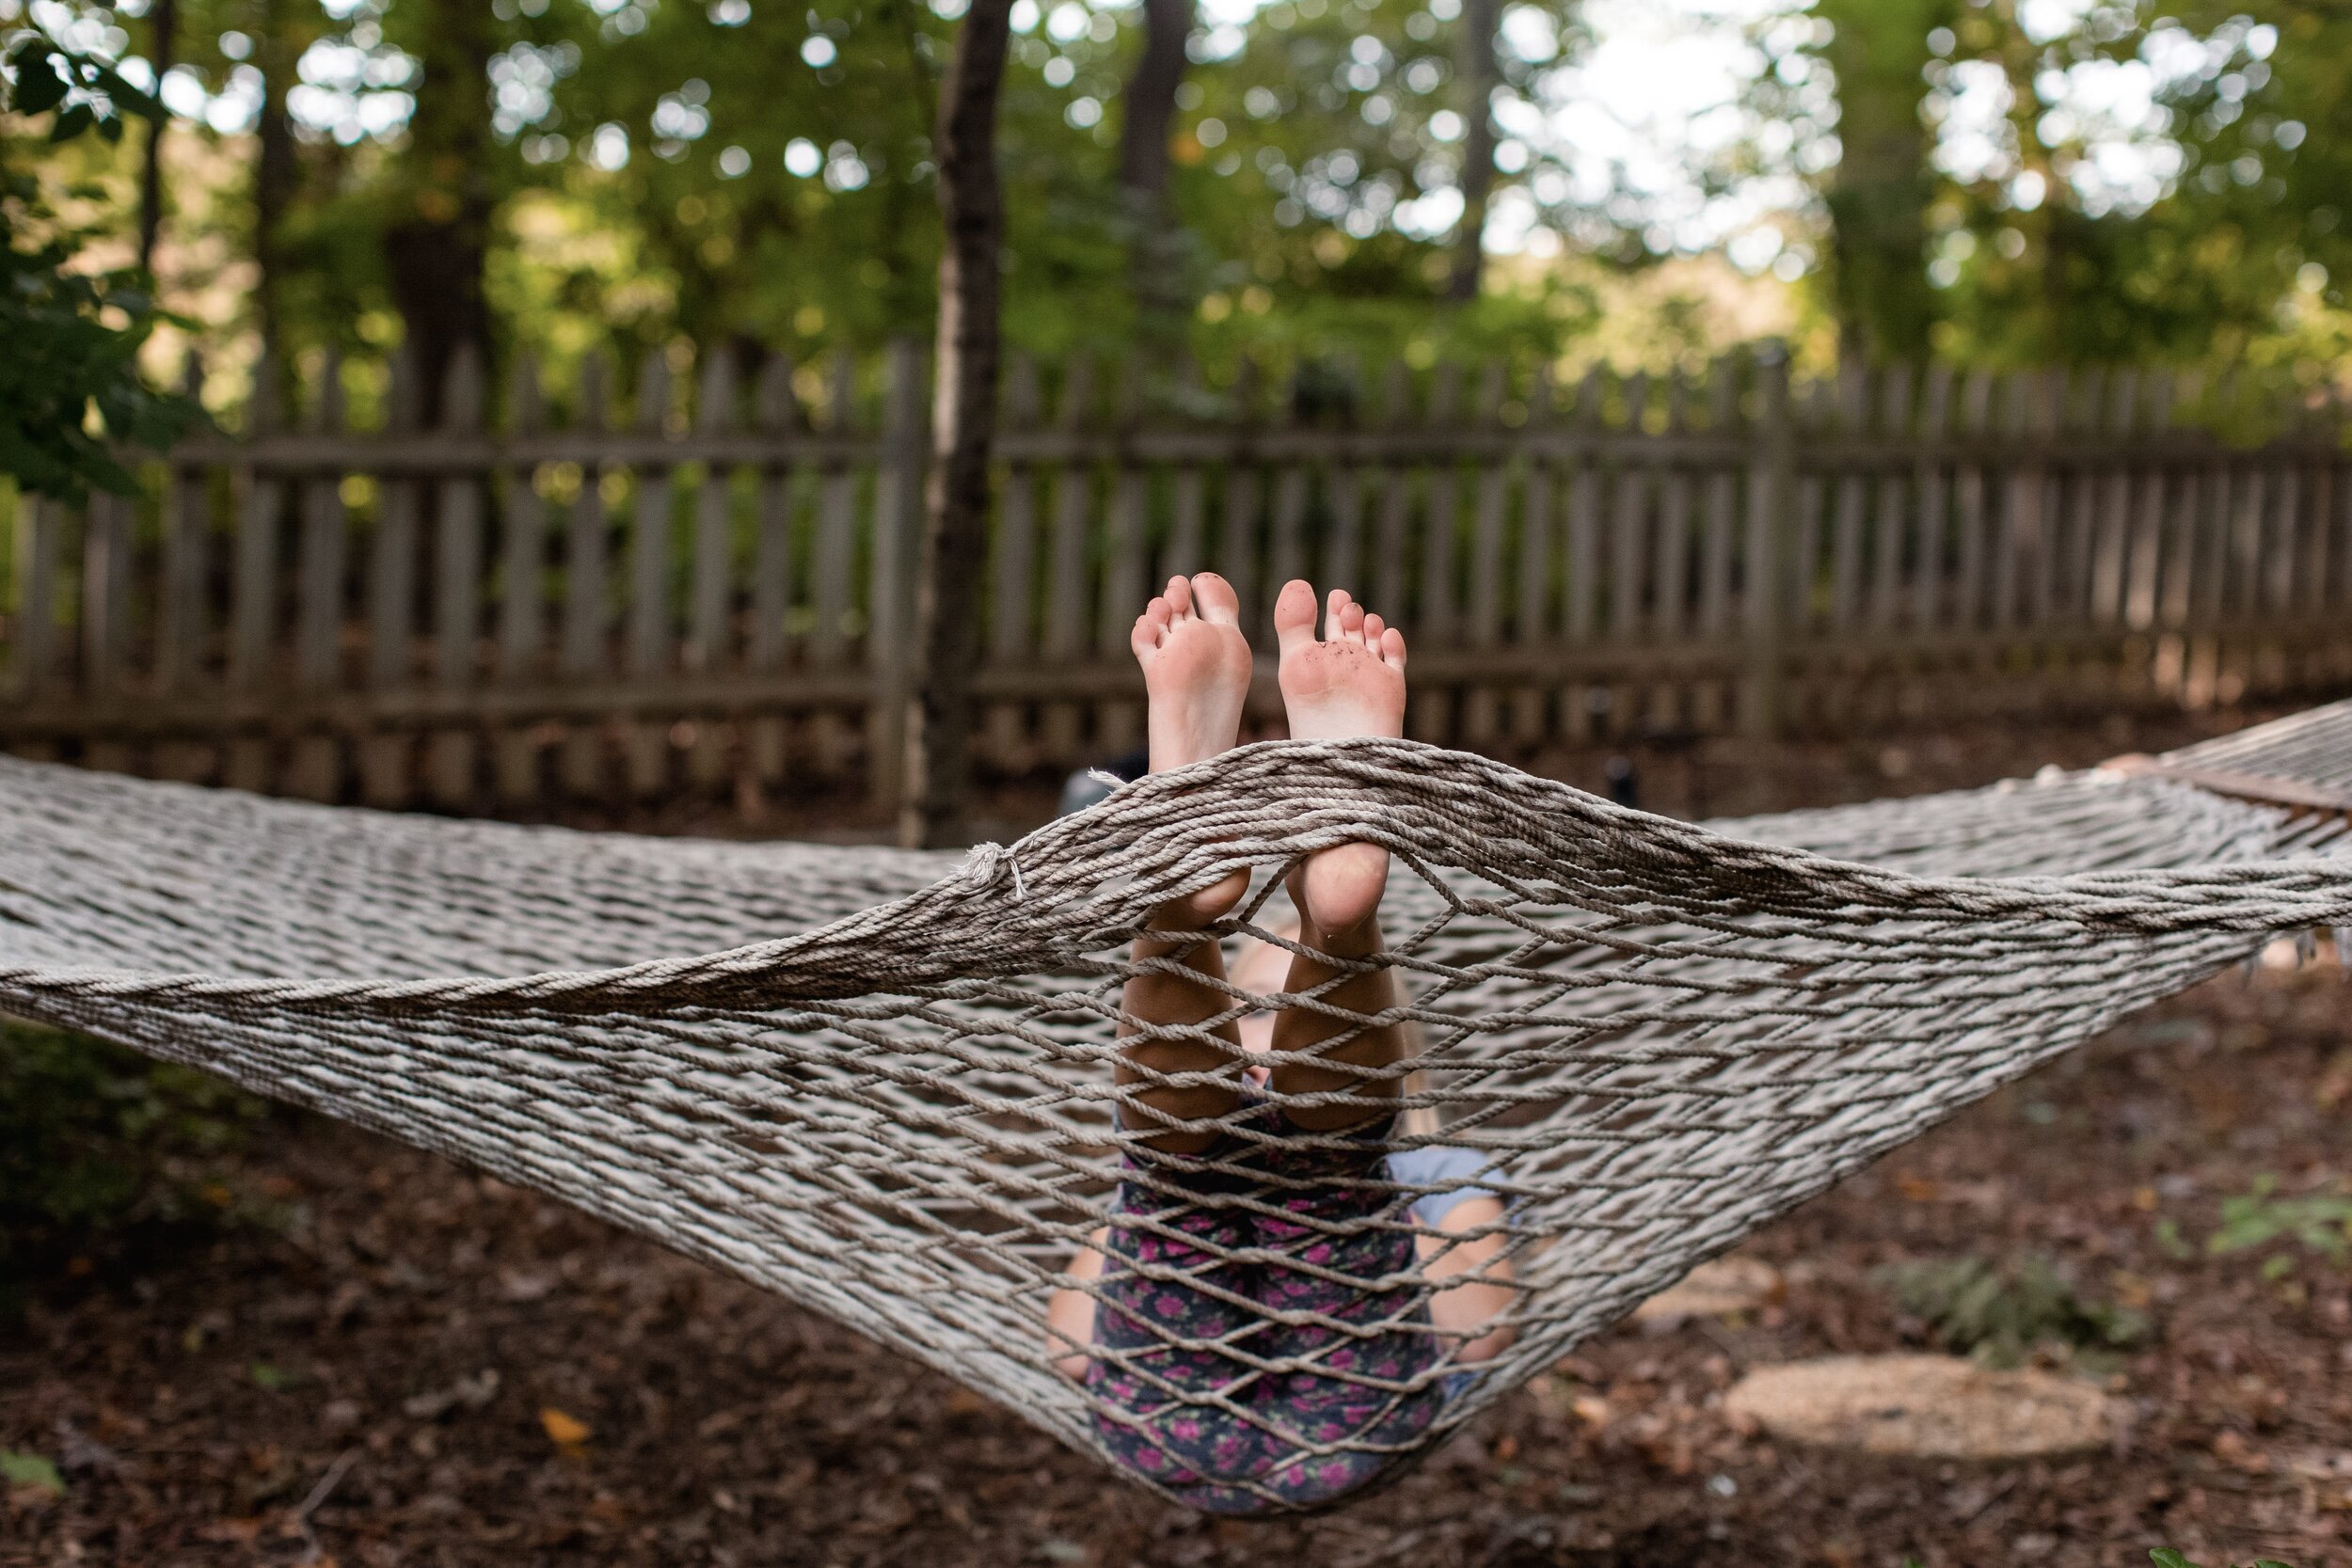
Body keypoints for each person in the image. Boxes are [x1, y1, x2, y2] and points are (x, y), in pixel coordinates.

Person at [1042, 572, 1515, 1513]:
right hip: (1191, 1388)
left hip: (1346, 1399)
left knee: (1300, 1153)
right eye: (1246, 1014)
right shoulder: (1181, 1124)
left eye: (1267, 1014)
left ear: (1402, 1050)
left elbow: (1479, 1331)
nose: (1255, 1045)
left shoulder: (1443, 1177)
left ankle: (1271, 922)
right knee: (1178, 1158)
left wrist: (1325, 1229)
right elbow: (1067, 1339)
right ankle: (1223, 906)